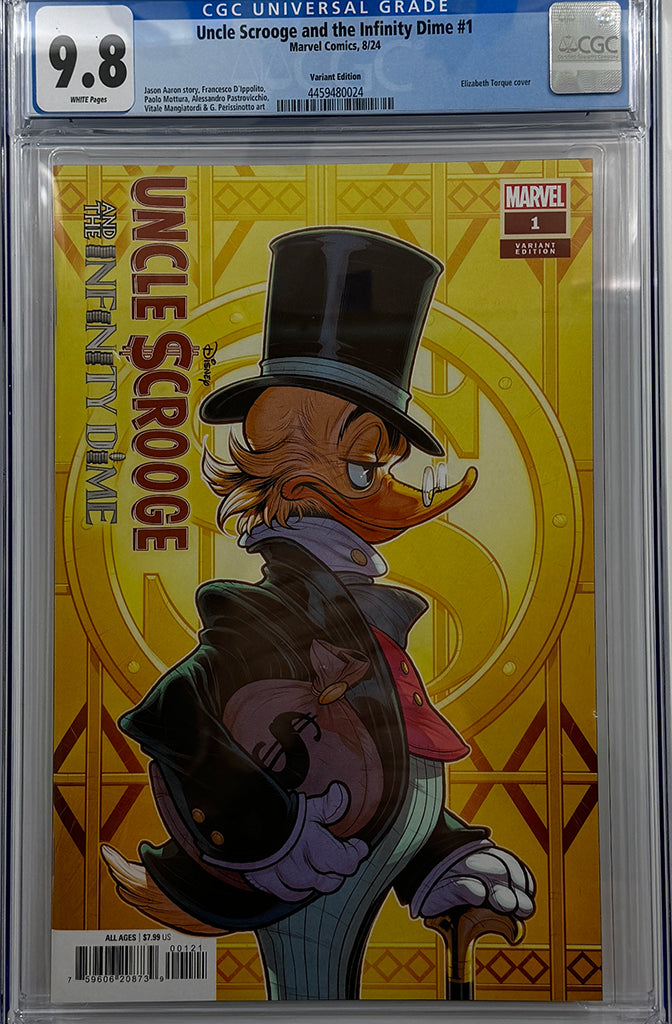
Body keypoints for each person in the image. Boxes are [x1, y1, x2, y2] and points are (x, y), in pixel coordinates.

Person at [105, 227, 535, 1000]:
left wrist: (442, 857)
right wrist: (270, 832)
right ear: (296, 476)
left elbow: (377, 757)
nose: (397, 490)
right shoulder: (268, 616)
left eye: (384, 463)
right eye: (368, 466)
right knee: (309, 997)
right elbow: (173, 712)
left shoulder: (358, 607)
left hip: (349, 860)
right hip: (293, 876)